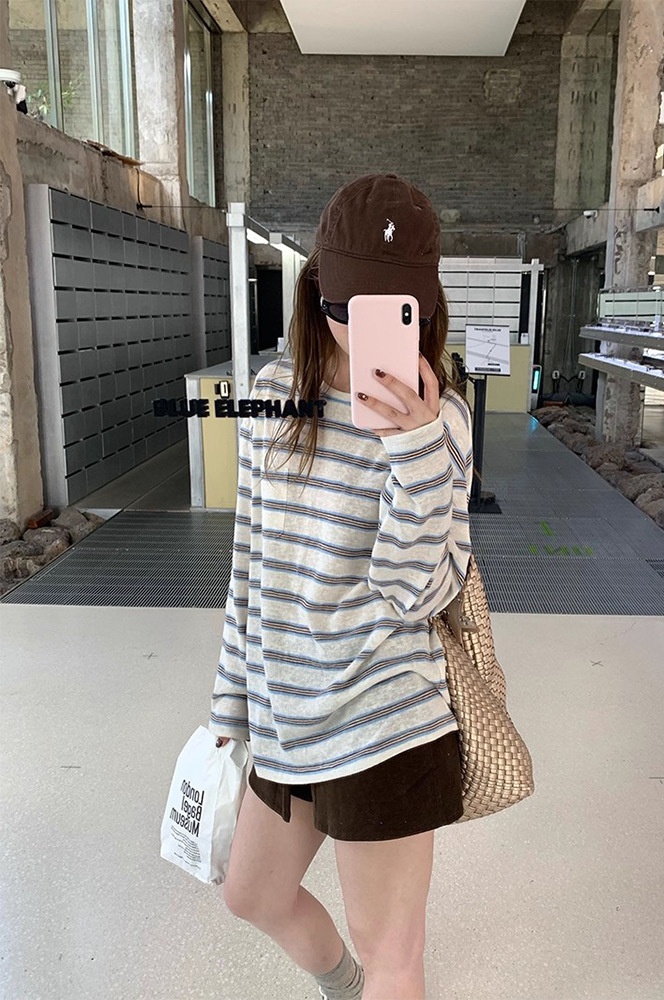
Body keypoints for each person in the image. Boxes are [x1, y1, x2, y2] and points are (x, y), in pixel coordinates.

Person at [208, 173, 474, 1000]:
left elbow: (418, 595)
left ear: (423, 306)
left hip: (384, 717)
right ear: (316, 286)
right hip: (287, 711)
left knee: (393, 952)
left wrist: (416, 454)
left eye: (391, 309)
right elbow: (250, 563)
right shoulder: (272, 397)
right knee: (251, 893)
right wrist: (231, 705)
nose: (364, 330)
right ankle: (347, 989)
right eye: (348, 304)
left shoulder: (444, 422)